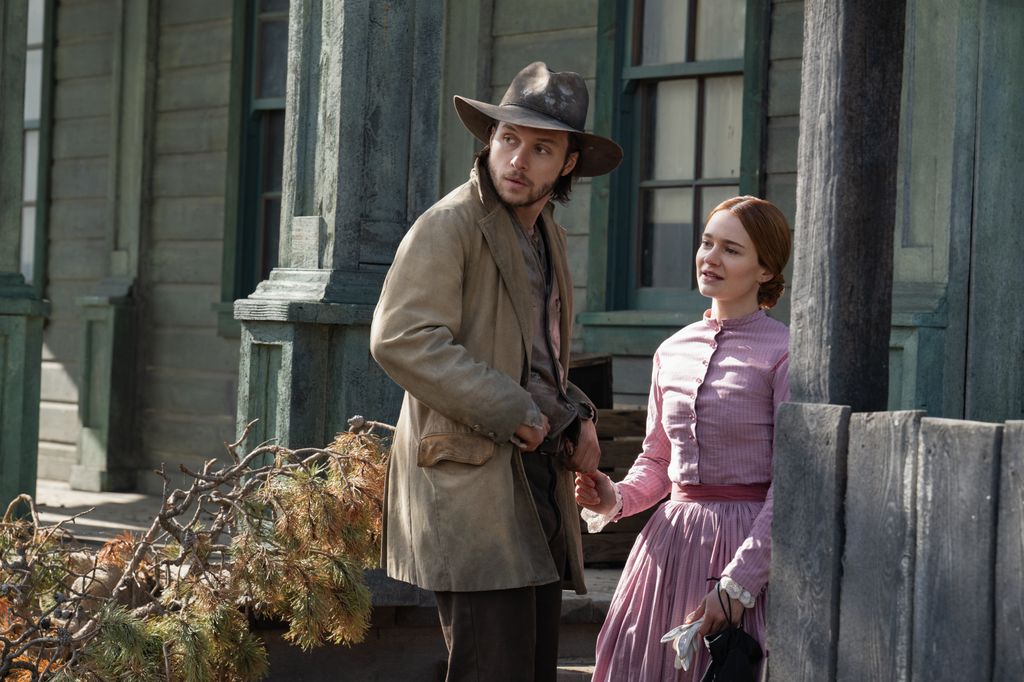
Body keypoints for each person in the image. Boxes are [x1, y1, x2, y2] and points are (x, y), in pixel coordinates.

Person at [369, 62, 623, 682]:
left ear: (567, 165)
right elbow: (401, 339)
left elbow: (535, 354)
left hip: (535, 478)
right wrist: (513, 409)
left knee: (532, 666)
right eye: (509, 138)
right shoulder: (450, 224)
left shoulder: (546, 236)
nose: (517, 159)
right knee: (492, 669)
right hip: (472, 483)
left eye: (541, 148)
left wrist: (578, 414)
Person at [575, 196, 792, 681]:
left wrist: (740, 583)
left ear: (765, 271)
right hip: (668, 549)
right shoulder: (671, 350)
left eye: (731, 250)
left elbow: (792, 485)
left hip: (746, 549)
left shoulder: (784, 353)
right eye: (706, 242)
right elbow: (658, 458)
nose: (710, 258)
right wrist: (617, 496)